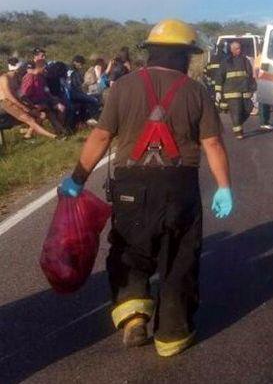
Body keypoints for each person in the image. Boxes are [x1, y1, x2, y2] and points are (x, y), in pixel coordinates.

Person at [59, 19, 233, 358]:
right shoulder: (196, 91)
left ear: (150, 52)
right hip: (178, 186)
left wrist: (77, 179)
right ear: (185, 56)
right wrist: (224, 186)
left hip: (130, 186)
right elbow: (211, 143)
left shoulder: (122, 87)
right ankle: (172, 335)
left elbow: (100, 136)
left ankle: (133, 314)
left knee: (129, 250)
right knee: (179, 259)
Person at [0, 62, 58, 139]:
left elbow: (21, 95)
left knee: (41, 114)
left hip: (15, 102)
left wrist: (31, 106)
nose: (23, 74)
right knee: (30, 119)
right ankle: (53, 136)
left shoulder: (16, 79)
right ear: (17, 70)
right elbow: (9, 96)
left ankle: (28, 133)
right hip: (6, 103)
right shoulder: (4, 78)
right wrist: (24, 107)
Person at [218, 40, 256, 139]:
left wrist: (252, 88)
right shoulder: (225, 62)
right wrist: (218, 92)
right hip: (231, 93)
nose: (240, 50)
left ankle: (237, 123)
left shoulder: (245, 60)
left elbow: (250, 75)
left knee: (249, 109)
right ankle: (238, 132)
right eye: (237, 48)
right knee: (236, 112)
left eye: (240, 48)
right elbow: (219, 77)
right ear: (232, 50)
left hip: (244, 91)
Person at [18, 61, 67, 135]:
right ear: (38, 68)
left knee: (61, 107)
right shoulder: (29, 77)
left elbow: (46, 90)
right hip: (34, 103)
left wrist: (53, 98)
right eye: (43, 68)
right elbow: (24, 95)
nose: (45, 70)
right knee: (48, 113)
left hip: (44, 101)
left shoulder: (41, 77)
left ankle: (59, 130)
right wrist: (32, 105)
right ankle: (60, 130)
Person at [66, 55, 100, 126]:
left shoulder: (70, 70)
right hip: (73, 93)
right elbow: (76, 85)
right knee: (94, 100)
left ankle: (83, 121)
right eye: (80, 64)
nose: (81, 66)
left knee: (85, 101)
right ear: (75, 62)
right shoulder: (73, 72)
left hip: (71, 93)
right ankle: (94, 119)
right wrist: (85, 92)